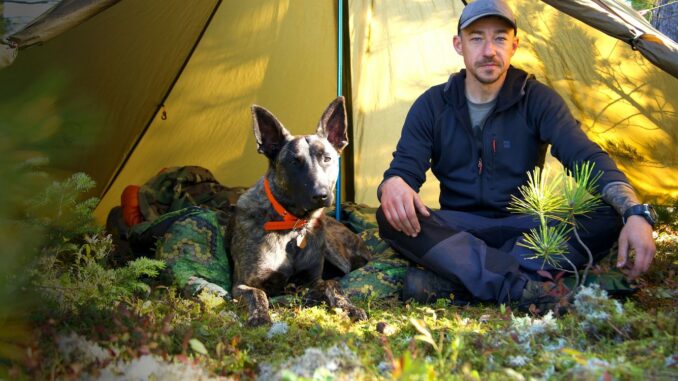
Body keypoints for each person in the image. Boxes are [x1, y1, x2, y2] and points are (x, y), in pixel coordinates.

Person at [376, 0, 657, 311]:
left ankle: (468, 283)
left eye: (499, 38)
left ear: (514, 45)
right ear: (459, 45)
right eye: (476, 37)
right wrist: (395, 183)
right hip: (461, 229)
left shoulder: (537, 100)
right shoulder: (432, 105)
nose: (489, 50)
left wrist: (634, 211)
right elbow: (404, 168)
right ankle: (527, 286)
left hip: (530, 229)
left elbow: (586, 157)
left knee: (608, 214)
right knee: (390, 217)